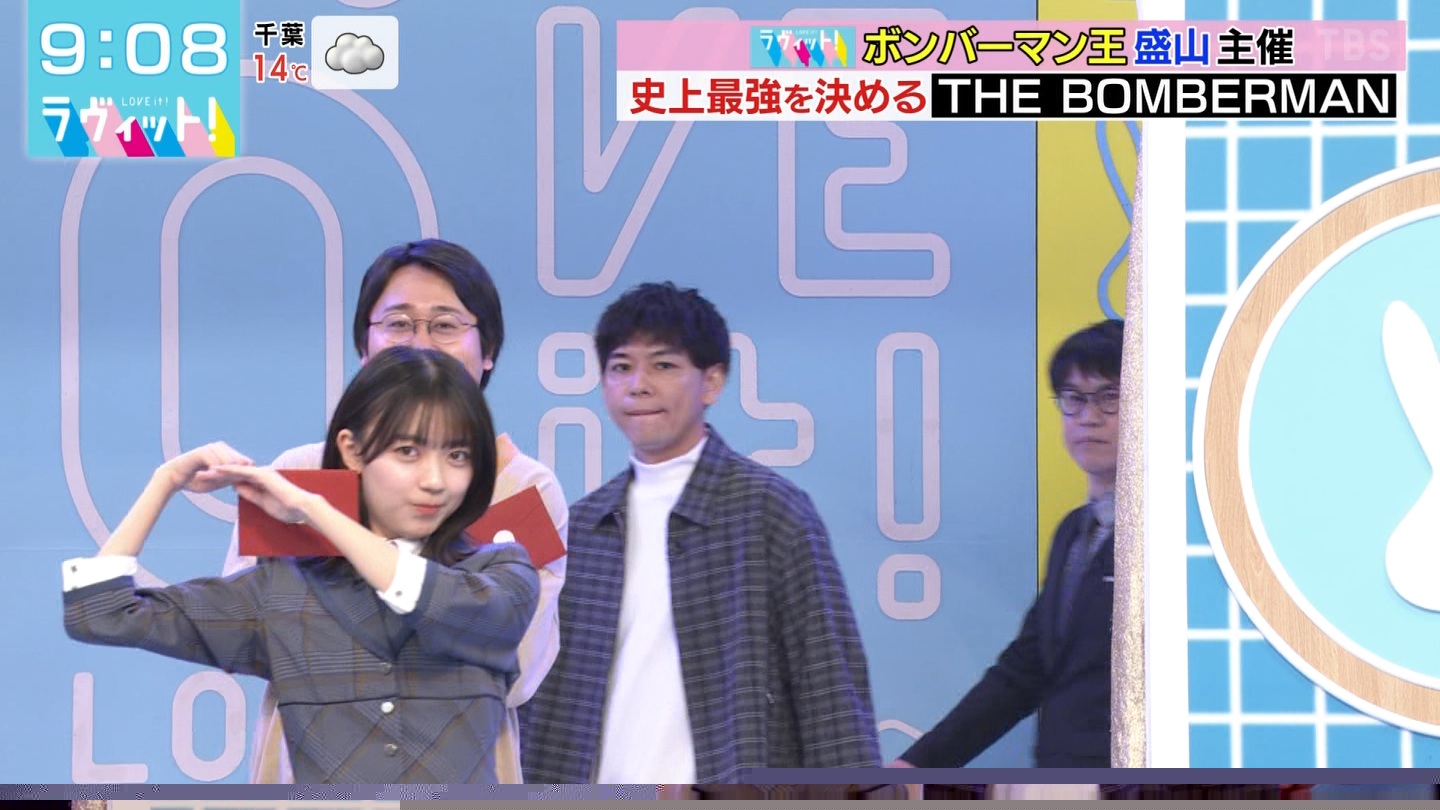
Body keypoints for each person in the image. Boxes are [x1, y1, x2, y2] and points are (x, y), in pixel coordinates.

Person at [63, 347, 540, 784]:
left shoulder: (501, 574)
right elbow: (101, 613)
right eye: (407, 452)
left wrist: (313, 508)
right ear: (352, 451)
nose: (435, 480)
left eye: (457, 455)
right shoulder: (285, 591)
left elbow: (424, 595)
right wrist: (165, 480)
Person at [221, 239, 569, 783]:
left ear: (489, 349)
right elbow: (247, 637)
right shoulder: (298, 477)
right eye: (398, 324)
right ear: (364, 345)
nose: (421, 343)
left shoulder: (521, 489)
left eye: (446, 325)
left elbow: (516, 665)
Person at [520, 281, 881, 784]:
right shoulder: (580, 526)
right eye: (621, 367)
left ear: (711, 382)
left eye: (663, 365)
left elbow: (828, 684)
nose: (638, 385)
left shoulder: (770, 512)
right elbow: (537, 696)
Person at [891, 319, 1124, 769]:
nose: (1089, 417)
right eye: (1074, 399)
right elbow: (1025, 669)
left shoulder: (1176, 539)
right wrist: (917, 765)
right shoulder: (1073, 533)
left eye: (1110, 397)